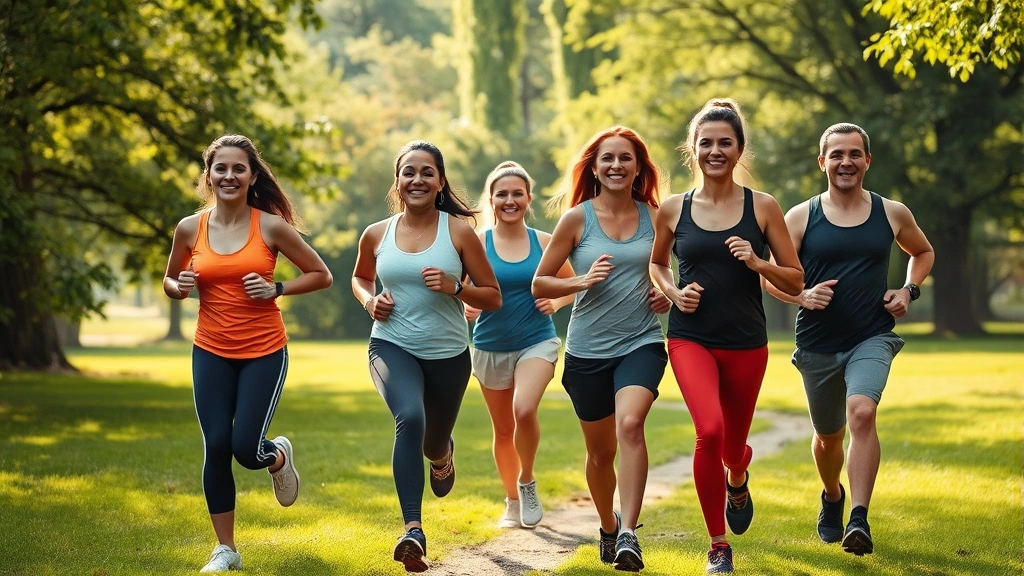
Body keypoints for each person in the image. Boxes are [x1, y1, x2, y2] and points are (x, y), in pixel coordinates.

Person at [162, 134, 334, 573]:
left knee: (244, 448)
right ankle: (226, 549)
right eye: (221, 168)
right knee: (216, 445)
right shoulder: (189, 228)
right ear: (209, 176)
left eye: (239, 168)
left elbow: (321, 275)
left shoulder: (270, 226)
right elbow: (170, 280)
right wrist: (179, 286)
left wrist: (277, 288)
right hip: (211, 350)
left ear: (252, 176)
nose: (229, 176)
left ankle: (276, 455)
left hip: (263, 351)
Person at [764, 123, 934, 557]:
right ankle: (832, 495)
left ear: (867, 161)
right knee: (828, 437)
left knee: (862, 413)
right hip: (818, 344)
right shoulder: (800, 216)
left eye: (854, 154)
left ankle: (858, 518)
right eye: (836, 154)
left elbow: (923, 252)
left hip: (871, 336)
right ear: (822, 162)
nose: (846, 162)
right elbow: (771, 276)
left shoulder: (891, 212)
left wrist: (908, 290)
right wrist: (800, 295)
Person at [649, 99, 804, 574]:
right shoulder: (675, 209)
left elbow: (795, 279)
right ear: (692, 150)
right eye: (706, 143)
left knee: (733, 446)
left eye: (725, 143)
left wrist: (758, 263)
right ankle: (718, 545)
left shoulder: (763, 208)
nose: (715, 151)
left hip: (746, 342)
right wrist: (674, 292)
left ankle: (738, 474)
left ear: (739, 150)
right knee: (709, 433)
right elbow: (657, 264)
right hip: (690, 337)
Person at [351, 140, 502, 573]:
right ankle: (413, 530)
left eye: (427, 173)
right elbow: (361, 277)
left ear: (440, 182)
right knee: (410, 420)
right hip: (390, 344)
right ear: (397, 182)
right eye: (408, 172)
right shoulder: (376, 233)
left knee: (432, 440)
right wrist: (369, 301)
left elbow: (491, 297)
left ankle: (442, 455)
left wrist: (455, 288)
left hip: (449, 355)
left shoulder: (458, 232)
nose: (417, 180)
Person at [533, 126, 673, 572]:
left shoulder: (658, 216)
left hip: (642, 341)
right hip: (588, 349)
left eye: (625, 158)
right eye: (607, 159)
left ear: (639, 167)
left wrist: (666, 295)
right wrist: (580, 280)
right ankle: (608, 524)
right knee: (599, 454)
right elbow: (541, 281)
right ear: (594, 167)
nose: (616, 166)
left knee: (631, 425)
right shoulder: (577, 218)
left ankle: (630, 532)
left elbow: (672, 273)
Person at [464, 161, 575, 530]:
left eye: (517, 194)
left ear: (528, 198)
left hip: (536, 340)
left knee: (523, 410)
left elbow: (571, 284)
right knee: (502, 431)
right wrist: (466, 304)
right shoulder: (476, 244)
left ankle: (526, 481)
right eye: (501, 194)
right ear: (491, 200)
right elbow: (460, 288)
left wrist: (556, 303)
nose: (509, 200)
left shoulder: (544, 242)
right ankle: (512, 501)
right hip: (489, 345)